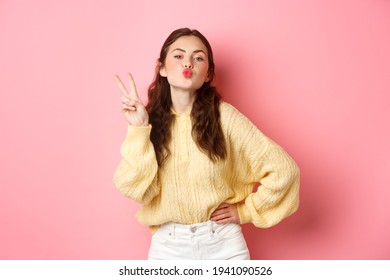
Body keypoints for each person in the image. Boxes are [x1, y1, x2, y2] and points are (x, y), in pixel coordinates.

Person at [113, 28, 300, 260]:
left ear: (208, 74)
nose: (188, 63)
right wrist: (139, 128)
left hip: (223, 245)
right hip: (168, 249)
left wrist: (246, 211)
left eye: (198, 58)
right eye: (178, 56)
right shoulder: (147, 123)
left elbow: (285, 171)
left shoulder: (225, 117)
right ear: (162, 67)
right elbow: (132, 187)